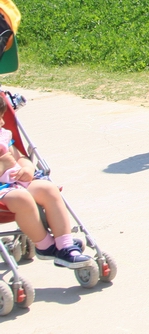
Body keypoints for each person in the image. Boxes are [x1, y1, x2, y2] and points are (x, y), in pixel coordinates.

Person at [0, 115, 93, 269]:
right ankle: (46, 246)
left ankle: (65, 246)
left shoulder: (3, 135)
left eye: (2, 117)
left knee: (48, 189)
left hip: (16, 182)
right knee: (22, 198)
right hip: (5, 191)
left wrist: (27, 168)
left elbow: (20, 157)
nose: (2, 122)